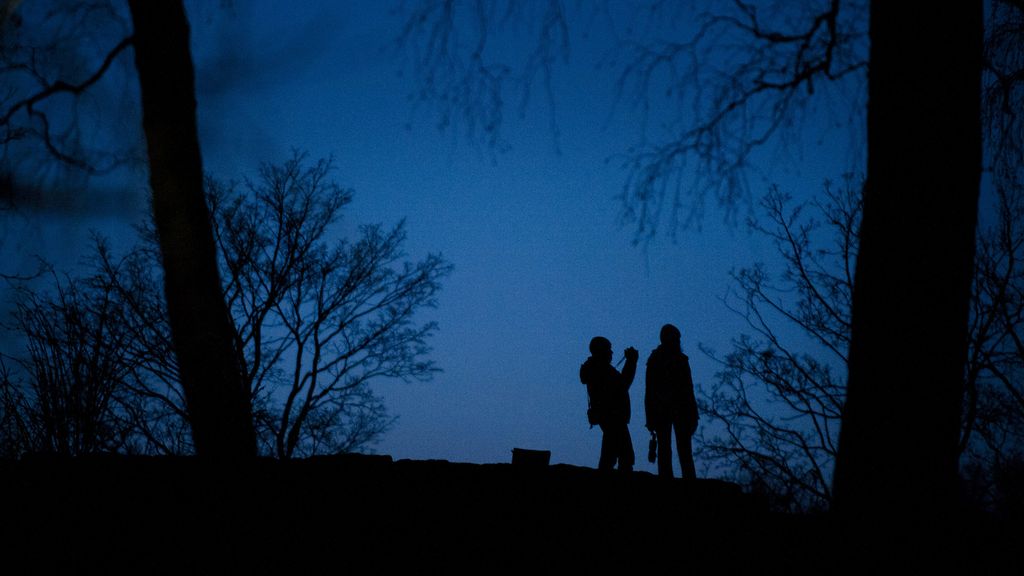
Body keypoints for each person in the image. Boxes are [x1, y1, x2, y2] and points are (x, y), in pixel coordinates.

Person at [645, 324, 699, 478]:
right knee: (673, 449)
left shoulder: (658, 359)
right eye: (676, 338)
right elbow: (650, 391)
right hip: (670, 410)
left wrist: (694, 413)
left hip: (672, 410)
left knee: (676, 449)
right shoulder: (668, 360)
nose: (678, 341)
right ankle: (676, 480)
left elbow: (689, 389)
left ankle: (674, 480)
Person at [580, 336, 639, 472]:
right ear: (602, 351)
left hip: (608, 417)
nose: (611, 353)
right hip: (612, 417)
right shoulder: (601, 370)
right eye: (608, 350)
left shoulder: (596, 369)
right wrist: (631, 362)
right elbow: (622, 385)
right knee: (624, 455)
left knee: (610, 455)